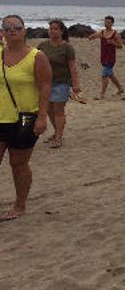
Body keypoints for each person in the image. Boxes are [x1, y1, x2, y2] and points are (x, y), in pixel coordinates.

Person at [0, 15, 51, 221]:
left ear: (24, 31)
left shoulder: (36, 56)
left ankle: (20, 205)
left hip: (25, 118)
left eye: (17, 27)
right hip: (1, 116)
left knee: (18, 163)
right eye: (7, 27)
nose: (12, 30)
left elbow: (45, 86)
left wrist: (42, 116)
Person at [37, 20, 82, 149]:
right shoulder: (42, 46)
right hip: (45, 83)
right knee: (49, 110)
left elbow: (72, 66)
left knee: (58, 110)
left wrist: (75, 84)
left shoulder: (67, 47)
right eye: (51, 28)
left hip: (61, 83)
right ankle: (57, 132)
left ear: (62, 31)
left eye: (56, 28)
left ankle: (58, 137)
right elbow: (36, 63)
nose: (52, 31)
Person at [88, 15, 125, 100]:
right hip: (103, 56)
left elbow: (120, 46)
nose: (106, 24)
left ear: (112, 23)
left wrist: (113, 42)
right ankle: (120, 89)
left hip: (111, 57)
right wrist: (91, 37)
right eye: (105, 22)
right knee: (110, 74)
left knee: (104, 74)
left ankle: (102, 94)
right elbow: (94, 36)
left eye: (108, 22)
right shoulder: (102, 32)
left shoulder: (115, 34)